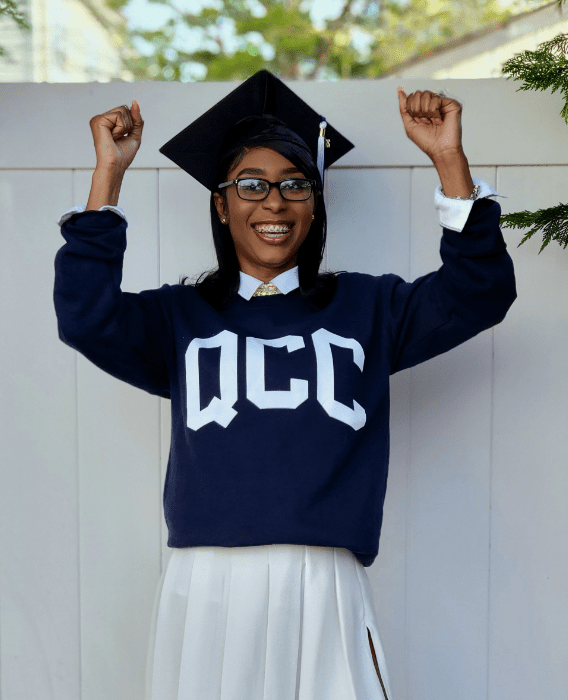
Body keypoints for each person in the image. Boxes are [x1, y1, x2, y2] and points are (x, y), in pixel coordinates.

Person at [53, 70, 516, 700]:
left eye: (296, 185)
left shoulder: (370, 309)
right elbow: (86, 315)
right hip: (208, 584)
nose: (274, 203)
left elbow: (479, 294)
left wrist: (448, 159)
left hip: (324, 579)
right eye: (251, 185)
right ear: (221, 204)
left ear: (315, 203)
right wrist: (108, 175)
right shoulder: (177, 318)